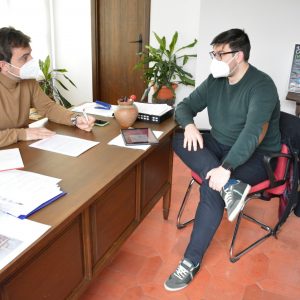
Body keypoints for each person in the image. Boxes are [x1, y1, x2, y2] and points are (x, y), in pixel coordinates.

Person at [164, 28, 281, 291]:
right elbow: (184, 106)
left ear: (238, 56)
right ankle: (230, 187)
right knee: (179, 139)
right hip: (220, 146)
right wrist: (191, 126)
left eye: (219, 54)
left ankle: (190, 261)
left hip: (256, 154)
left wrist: (225, 168)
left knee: (211, 187)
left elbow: (252, 134)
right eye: (213, 53)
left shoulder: (262, 86)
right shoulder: (216, 80)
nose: (214, 59)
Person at [0, 27, 95, 148]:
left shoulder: (28, 80)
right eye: (24, 57)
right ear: (4, 65)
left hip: (22, 148)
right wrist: (20, 134)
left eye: (30, 54)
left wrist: (74, 119)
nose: (31, 60)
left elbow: (48, 107)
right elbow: (21, 134)